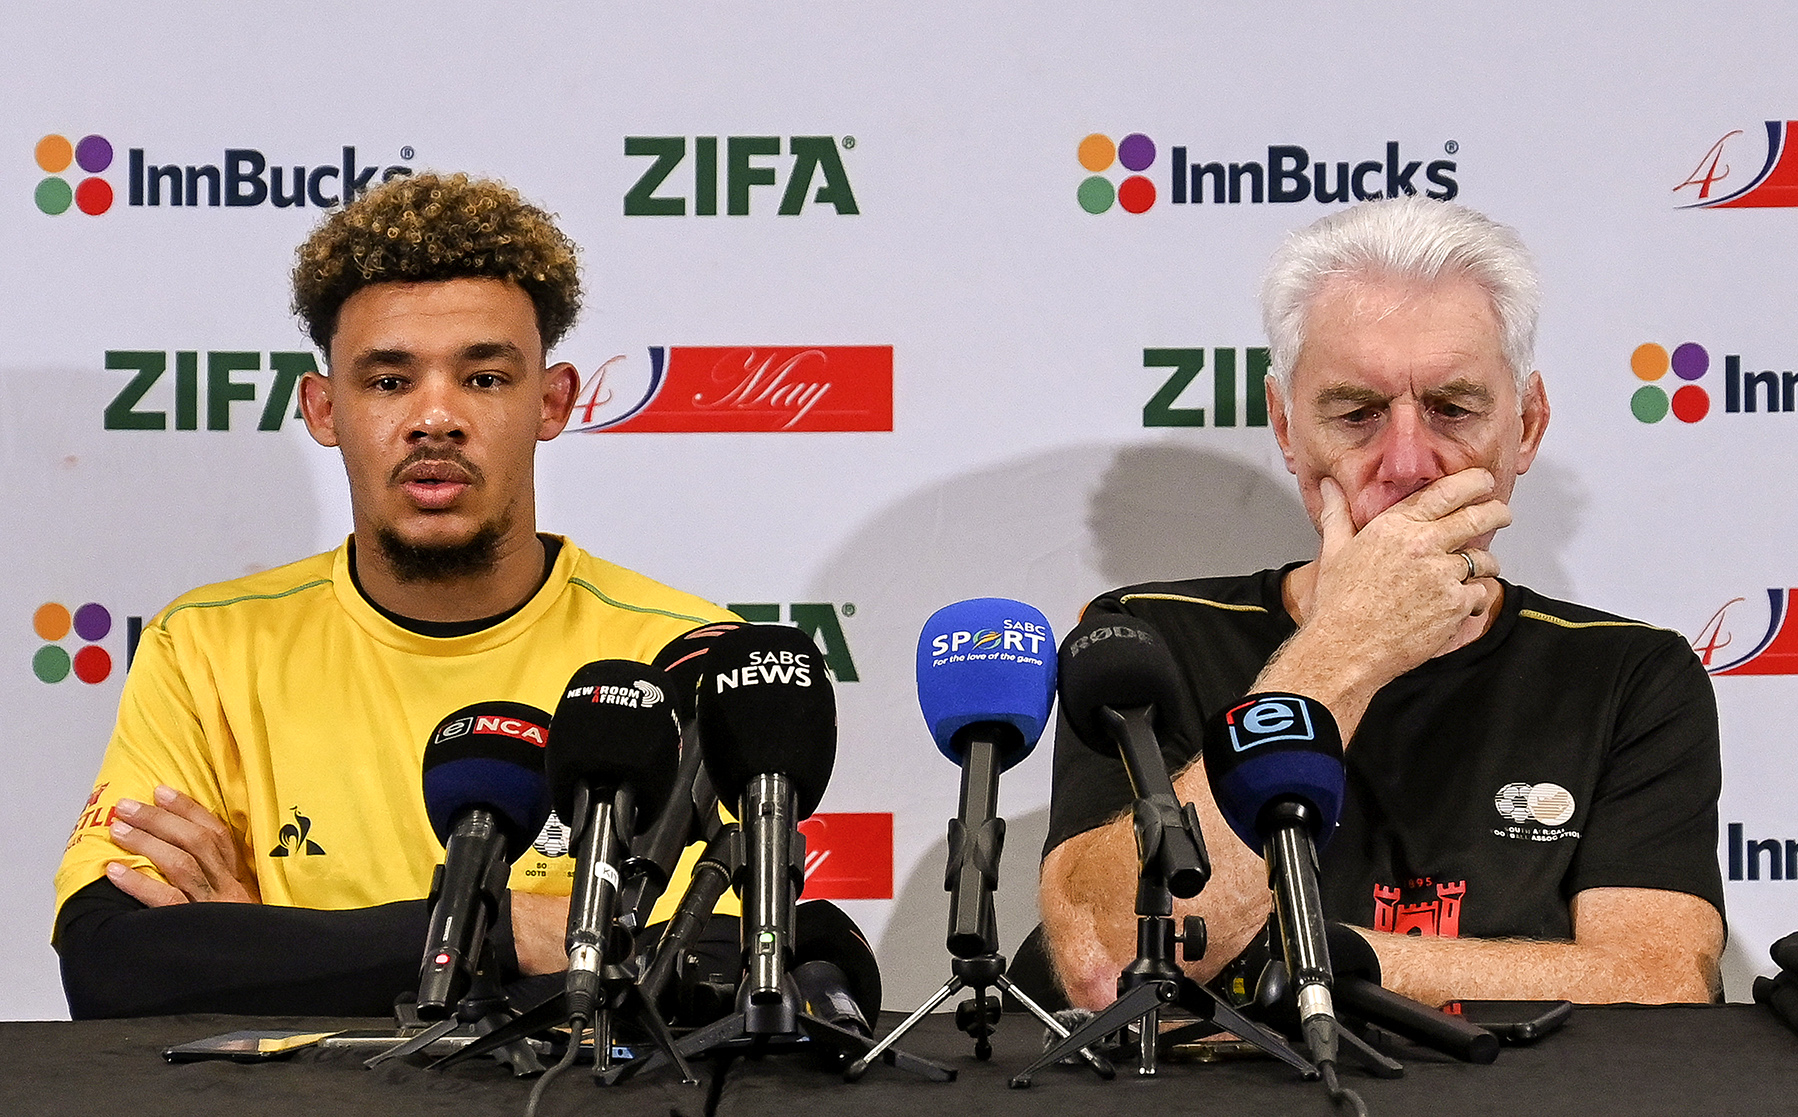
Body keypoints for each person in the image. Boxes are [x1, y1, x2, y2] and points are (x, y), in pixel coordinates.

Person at [53, 172, 736, 1018]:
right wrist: (513, 930)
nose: (435, 418)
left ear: (553, 402)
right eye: (388, 382)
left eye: (484, 378)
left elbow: (730, 967)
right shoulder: (206, 649)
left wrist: (270, 940)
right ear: (323, 407)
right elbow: (114, 964)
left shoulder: (687, 655)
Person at [1038, 197, 1725, 1011]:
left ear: (1528, 428)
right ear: (1287, 428)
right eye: (1357, 413)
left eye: (1453, 408)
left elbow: (1660, 983)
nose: (1407, 462)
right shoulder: (1143, 642)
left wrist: (1302, 960)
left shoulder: (1629, 676)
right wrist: (1347, 649)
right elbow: (1106, 961)